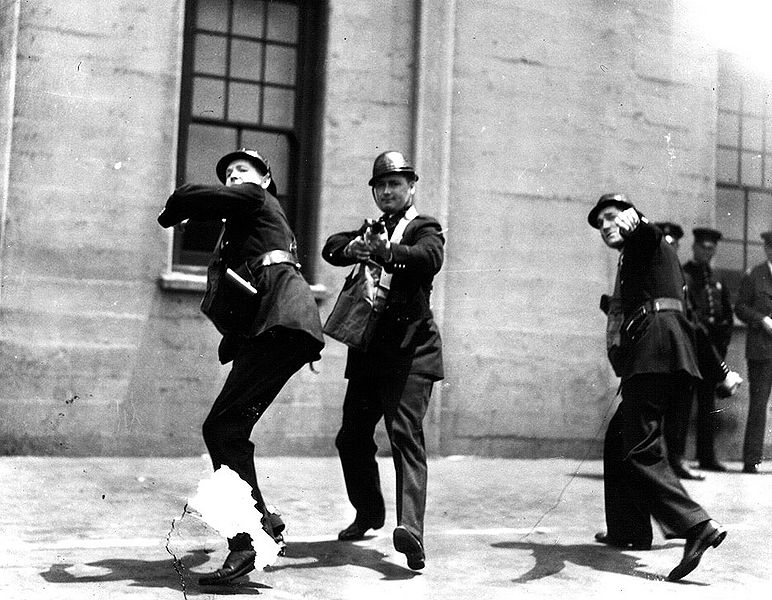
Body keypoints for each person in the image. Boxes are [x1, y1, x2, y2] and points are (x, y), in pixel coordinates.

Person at [157, 148, 324, 585]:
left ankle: (246, 541)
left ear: (264, 180)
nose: (233, 179)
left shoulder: (254, 200)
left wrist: (177, 205)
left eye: (242, 172)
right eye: (228, 173)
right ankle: (261, 521)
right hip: (275, 329)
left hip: (281, 325)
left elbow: (196, 196)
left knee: (222, 430)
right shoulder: (243, 229)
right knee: (227, 430)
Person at [589, 194, 726, 582]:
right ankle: (628, 531)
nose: (605, 226)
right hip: (662, 348)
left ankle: (695, 525)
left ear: (630, 217)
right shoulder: (639, 258)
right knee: (620, 437)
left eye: (611, 218)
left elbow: (648, 234)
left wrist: (636, 223)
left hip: (654, 349)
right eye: (600, 223)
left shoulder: (644, 239)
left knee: (639, 447)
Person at [321, 151, 444, 570]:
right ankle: (369, 512)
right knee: (351, 438)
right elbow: (331, 248)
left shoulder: (424, 227)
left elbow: (430, 257)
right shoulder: (371, 228)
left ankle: (412, 532)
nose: (387, 191)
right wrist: (359, 246)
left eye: (395, 183)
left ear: (411, 187)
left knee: (405, 438)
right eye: (381, 185)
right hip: (370, 355)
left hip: (411, 355)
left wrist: (388, 251)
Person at [683, 228, 734, 472]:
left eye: (711, 248)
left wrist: (722, 346)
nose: (707, 251)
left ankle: (707, 457)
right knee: (682, 403)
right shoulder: (685, 274)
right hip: (692, 347)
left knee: (708, 405)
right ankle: (677, 458)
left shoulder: (718, 276)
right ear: (694, 247)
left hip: (712, 351)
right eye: (703, 247)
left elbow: (727, 314)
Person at [734, 230, 772, 474]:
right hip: (762, 351)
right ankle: (752, 460)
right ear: (767, 249)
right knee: (758, 406)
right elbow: (740, 308)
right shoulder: (754, 275)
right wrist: (762, 320)